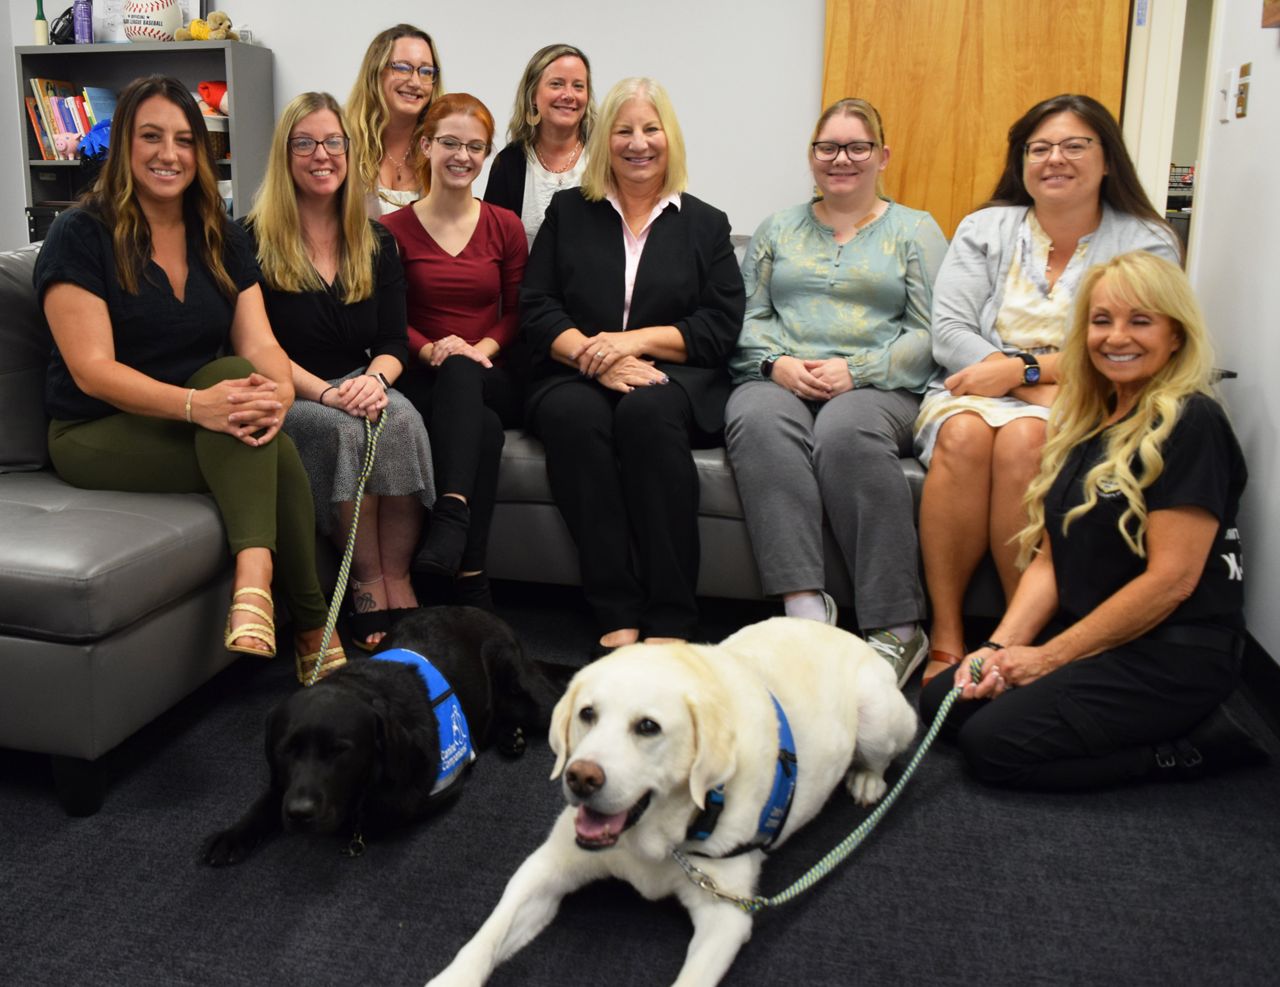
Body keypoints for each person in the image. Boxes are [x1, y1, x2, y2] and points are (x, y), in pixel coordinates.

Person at [33, 75, 344, 683]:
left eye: (183, 140)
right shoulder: (80, 234)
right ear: (124, 144)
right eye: (150, 137)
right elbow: (90, 371)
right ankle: (296, 614)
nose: (168, 154)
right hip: (97, 428)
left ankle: (281, 612)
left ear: (202, 152)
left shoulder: (220, 233)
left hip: (199, 414)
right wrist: (197, 406)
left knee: (247, 393)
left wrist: (278, 395)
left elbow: (260, 344)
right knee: (261, 442)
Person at [920, 251, 1265, 789]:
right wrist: (996, 648)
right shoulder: (1090, 418)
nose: (1116, 336)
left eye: (1141, 321)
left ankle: (1195, 747)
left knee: (994, 749)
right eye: (1102, 321)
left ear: (1176, 336)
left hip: (1172, 654)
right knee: (945, 704)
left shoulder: (1192, 421)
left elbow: (1171, 583)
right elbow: (1050, 561)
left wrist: (1047, 659)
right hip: (1102, 633)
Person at [914, 94, 1181, 687]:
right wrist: (1011, 379)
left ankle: (1018, 641)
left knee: (1025, 440)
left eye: (1074, 145)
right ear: (1022, 161)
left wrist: (1020, 374)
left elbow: (1127, 344)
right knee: (962, 434)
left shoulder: (1146, 240)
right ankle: (947, 635)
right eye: (1040, 148)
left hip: (1080, 399)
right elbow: (951, 332)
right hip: (972, 388)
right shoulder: (985, 227)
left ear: (1107, 159)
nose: (1055, 159)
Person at [725, 98, 947, 686]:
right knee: (755, 417)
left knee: (845, 430)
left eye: (857, 147)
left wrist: (860, 369)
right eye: (828, 147)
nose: (841, 159)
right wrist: (775, 363)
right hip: (786, 375)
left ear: (882, 156)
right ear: (812, 156)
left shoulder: (915, 231)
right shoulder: (778, 229)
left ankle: (898, 627)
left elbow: (933, 332)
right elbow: (744, 317)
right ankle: (804, 612)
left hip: (882, 386)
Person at [520, 77, 745, 653]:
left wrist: (631, 342)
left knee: (646, 415)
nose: (638, 143)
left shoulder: (706, 223)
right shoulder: (569, 211)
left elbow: (719, 325)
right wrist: (595, 360)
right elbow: (537, 305)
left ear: (670, 137)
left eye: (651, 129)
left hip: (670, 379)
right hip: (573, 371)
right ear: (606, 141)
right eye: (624, 130)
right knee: (572, 416)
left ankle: (671, 616)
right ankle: (614, 607)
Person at [245, 92, 436, 650]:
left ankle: (397, 576)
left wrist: (374, 380)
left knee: (398, 419)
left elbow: (394, 341)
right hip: (291, 389)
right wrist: (328, 394)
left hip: (362, 379)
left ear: (350, 153)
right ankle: (365, 586)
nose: (321, 155)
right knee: (345, 430)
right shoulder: (249, 240)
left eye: (333, 142)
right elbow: (259, 346)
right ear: (285, 155)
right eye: (305, 143)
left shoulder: (376, 240)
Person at [381, 93, 527, 611]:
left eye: (475, 146)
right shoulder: (390, 231)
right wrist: (432, 352)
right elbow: (390, 319)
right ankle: (471, 576)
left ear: (486, 155)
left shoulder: (505, 225)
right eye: (450, 143)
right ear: (425, 145)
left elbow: (516, 313)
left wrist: (474, 349)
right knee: (481, 430)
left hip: (493, 373)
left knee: (467, 375)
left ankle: (449, 518)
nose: (462, 156)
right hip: (424, 376)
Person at [484, 43, 596, 247]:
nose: (569, 95)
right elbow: (492, 247)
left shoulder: (604, 159)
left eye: (578, 86)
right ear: (533, 95)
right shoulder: (508, 164)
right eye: (557, 84)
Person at [346, 24, 443, 216]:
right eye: (403, 68)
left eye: (425, 72)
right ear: (376, 72)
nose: (415, 82)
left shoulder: (442, 150)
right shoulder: (342, 144)